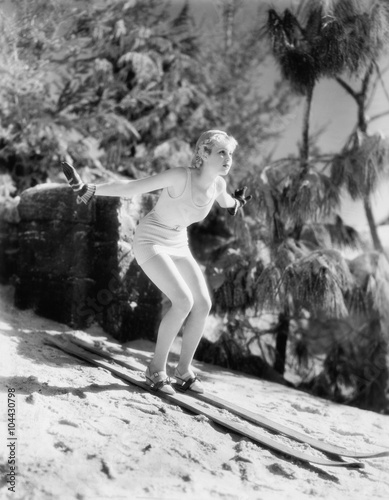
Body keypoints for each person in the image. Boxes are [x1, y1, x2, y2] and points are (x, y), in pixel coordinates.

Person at [62, 130, 251, 395]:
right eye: (221, 152)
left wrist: (237, 203)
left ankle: (183, 371)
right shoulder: (179, 176)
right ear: (204, 153)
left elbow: (228, 202)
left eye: (230, 154)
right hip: (151, 239)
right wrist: (88, 189)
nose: (228, 158)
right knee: (183, 301)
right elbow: (133, 187)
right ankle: (155, 369)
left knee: (203, 304)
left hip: (178, 243)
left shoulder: (218, 185)